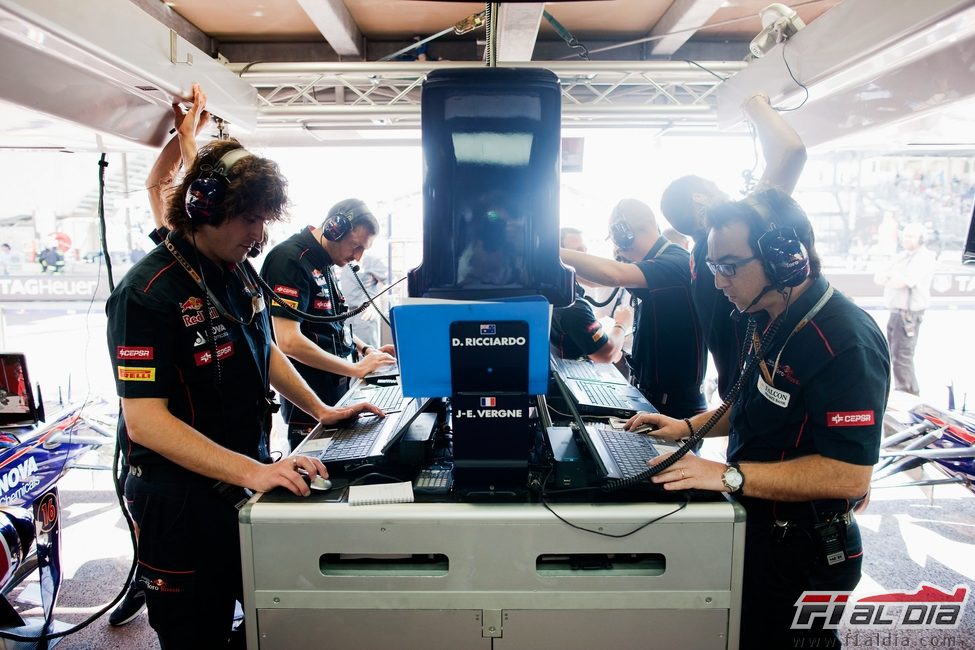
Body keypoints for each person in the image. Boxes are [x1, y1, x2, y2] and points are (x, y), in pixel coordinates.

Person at [106, 141, 384, 649]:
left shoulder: (237, 271)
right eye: (250, 220)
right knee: (198, 633)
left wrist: (321, 411)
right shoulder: (146, 293)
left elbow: (265, 347)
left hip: (239, 479)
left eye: (264, 221)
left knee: (266, 618)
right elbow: (145, 421)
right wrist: (252, 471)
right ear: (204, 206)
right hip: (180, 505)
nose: (259, 236)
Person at [627, 189, 889, 648]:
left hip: (807, 552)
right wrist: (686, 427)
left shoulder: (845, 341)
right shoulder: (763, 312)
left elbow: (850, 475)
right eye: (712, 266)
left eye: (729, 266)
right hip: (762, 528)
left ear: (787, 259)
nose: (718, 280)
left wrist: (725, 476)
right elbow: (752, 395)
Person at [108, 82, 210, 629]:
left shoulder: (215, 263)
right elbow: (164, 186)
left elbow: (163, 185)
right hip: (160, 453)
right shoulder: (157, 279)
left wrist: (187, 135)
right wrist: (185, 137)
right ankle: (144, 585)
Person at [660, 92, 807, 401]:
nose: (721, 191)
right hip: (755, 403)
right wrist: (754, 102)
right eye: (713, 187)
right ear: (700, 198)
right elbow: (791, 152)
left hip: (739, 397)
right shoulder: (733, 239)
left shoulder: (702, 254)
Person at [261, 199, 396, 451]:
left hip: (336, 393)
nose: (357, 257)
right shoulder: (289, 260)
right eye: (355, 246)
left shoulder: (324, 262)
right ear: (335, 228)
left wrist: (366, 350)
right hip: (311, 401)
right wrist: (354, 369)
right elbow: (288, 341)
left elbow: (331, 323)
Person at [560, 199, 706, 419]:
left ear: (624, 233)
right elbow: (594, 281)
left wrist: (545, 249)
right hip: (651, 396)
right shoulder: (655, 263)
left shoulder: (675, 262)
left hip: (676, 407)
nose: (617, 249)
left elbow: (612, 274)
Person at [551, 227, 633, 362]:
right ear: (561, 256)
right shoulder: (573, 306)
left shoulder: (554, 291)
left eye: (585, 250)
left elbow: (594, 281)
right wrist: (622, 323)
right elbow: (606, 355)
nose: (585, 257)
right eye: (579, 251)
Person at [874, 221, 936, 395]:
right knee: (894, 356)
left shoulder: (924, 258)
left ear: (922, 239)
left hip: (908, 315)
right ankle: (905, 392)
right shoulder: (902, 256)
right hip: (895, 313)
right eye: (905, 235)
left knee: (902, 358)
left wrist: (893, 278)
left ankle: (908, 395)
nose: (906, 239)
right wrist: (892, 278)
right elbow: (879, 277)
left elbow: (903, 281)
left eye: (911, 236)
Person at [339, 248, 389, 350]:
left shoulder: (371, 260)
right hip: (345, 314)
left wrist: (376, 302)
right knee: (347, 353)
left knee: (368, 353)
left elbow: (390, 282)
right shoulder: (340, 259)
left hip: (365, 314)